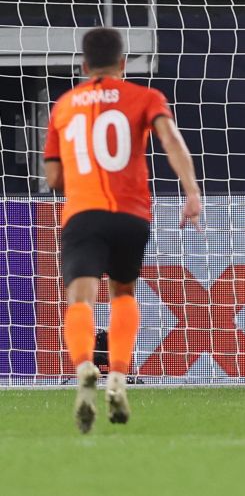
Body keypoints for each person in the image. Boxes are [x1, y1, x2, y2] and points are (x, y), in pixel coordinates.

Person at [43, 26, 203, 434]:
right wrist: (191, 192)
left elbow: (53, 175)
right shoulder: (145, 98)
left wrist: (81, 177)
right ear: (123, 63)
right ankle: (117, 373)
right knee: (123, 292)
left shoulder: (64, 106)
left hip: (83, 214)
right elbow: (172, 141)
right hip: (132, 215)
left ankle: (83, 368)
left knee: (80, 298)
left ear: (83, 65)